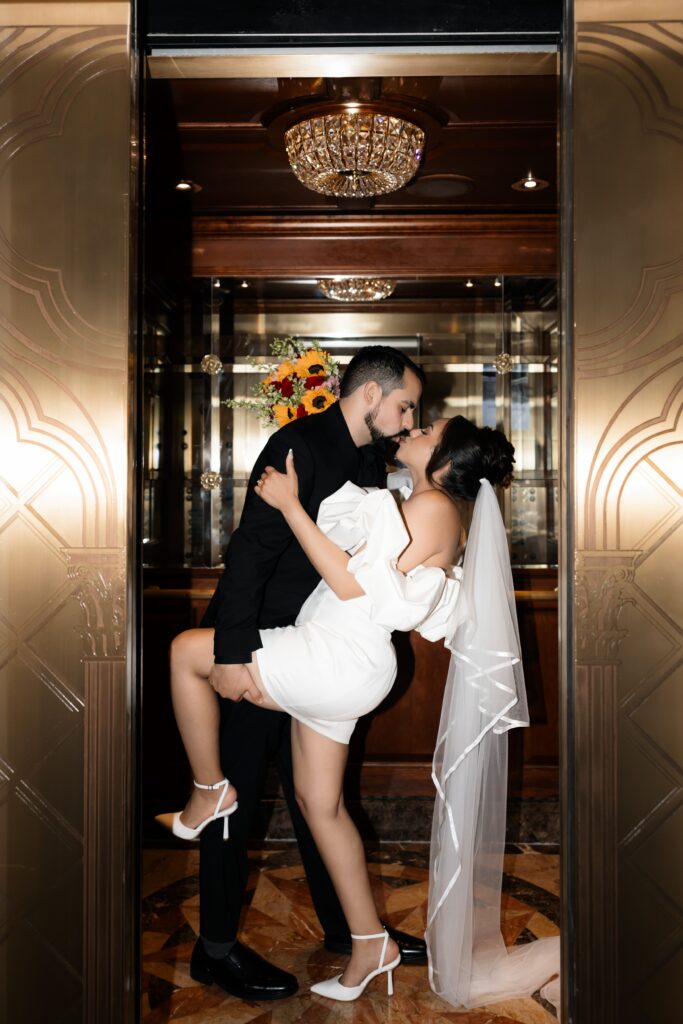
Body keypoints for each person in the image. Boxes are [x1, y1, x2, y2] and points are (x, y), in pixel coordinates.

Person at [161, 414, 519, 1002]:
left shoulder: (433, 510)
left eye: (428, 430)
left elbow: (353, 585)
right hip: (344, 656)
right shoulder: (419, 499)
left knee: (187, 654)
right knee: (319, 807)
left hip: (337, 654)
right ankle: (368, 940)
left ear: (448, 461)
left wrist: (290, 504)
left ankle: (209, 789)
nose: (415, 428)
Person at [176, 345, 428, 1002]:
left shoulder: (371, 457)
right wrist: (231, 655)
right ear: (369, 395)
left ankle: (351, 930)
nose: (407, 420)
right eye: (404, 405)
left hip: (317, 650)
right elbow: (250, 555)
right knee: (233, 794)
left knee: (314, 798)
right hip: (260, 645)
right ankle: (216, 951)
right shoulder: (297, 443)